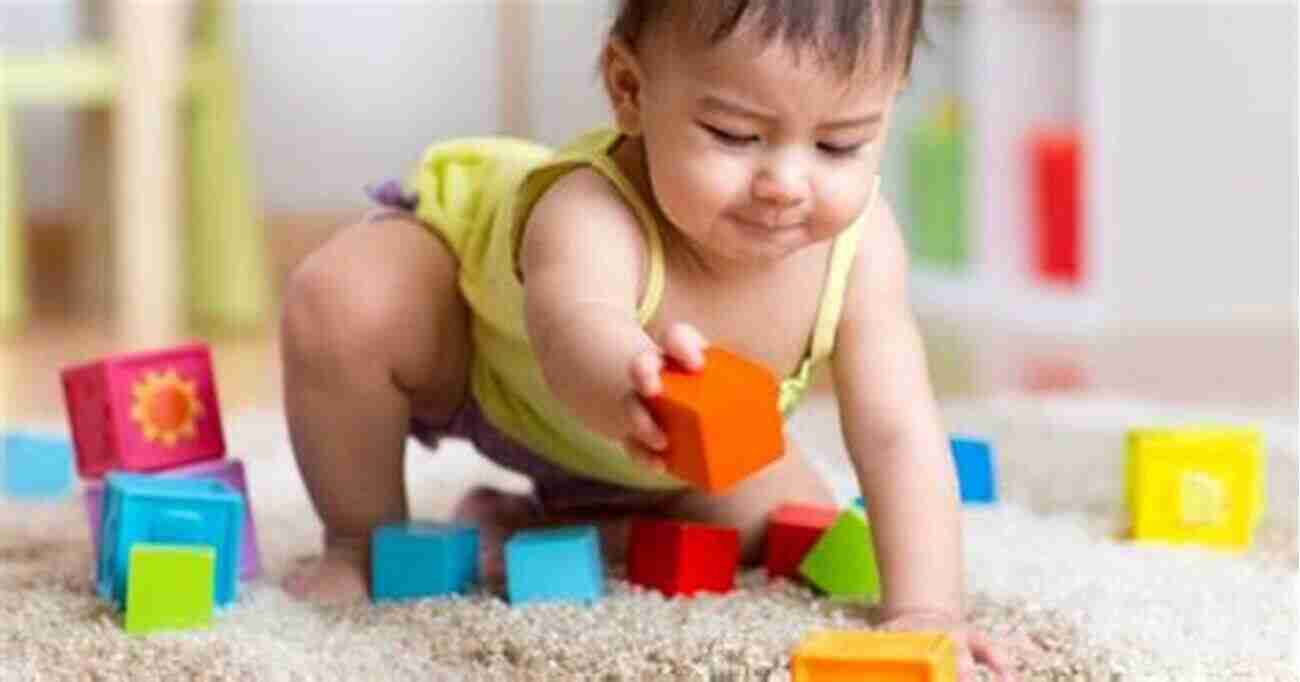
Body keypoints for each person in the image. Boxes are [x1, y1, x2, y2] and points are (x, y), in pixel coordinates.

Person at [280, 2, 1011, 678]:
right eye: (735, 135)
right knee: (345, 298)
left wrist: (927, 611)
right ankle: (359, 539)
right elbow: (574, 323)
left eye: (840, 144)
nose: (787, 183)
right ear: (630, 89)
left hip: (665, 460)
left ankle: (555, 527)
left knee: (791, 525)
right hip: (485, 363)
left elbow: (898, 430)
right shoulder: (592, 206)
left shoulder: (863, 250)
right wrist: (629, 376)